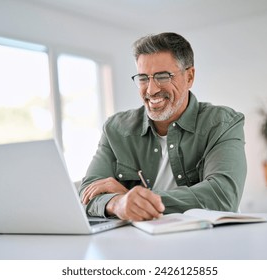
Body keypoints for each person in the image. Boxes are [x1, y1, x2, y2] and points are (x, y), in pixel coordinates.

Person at [80, 32, 246, 221]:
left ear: (189, 77)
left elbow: (223, 196)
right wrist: (118, 203)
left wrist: (135, 199)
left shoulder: (223, 123)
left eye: (163, 76)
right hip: (139, 243)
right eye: (143, 78)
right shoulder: (115, 129)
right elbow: (87, 193)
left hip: (207, 241)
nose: (151, 90)